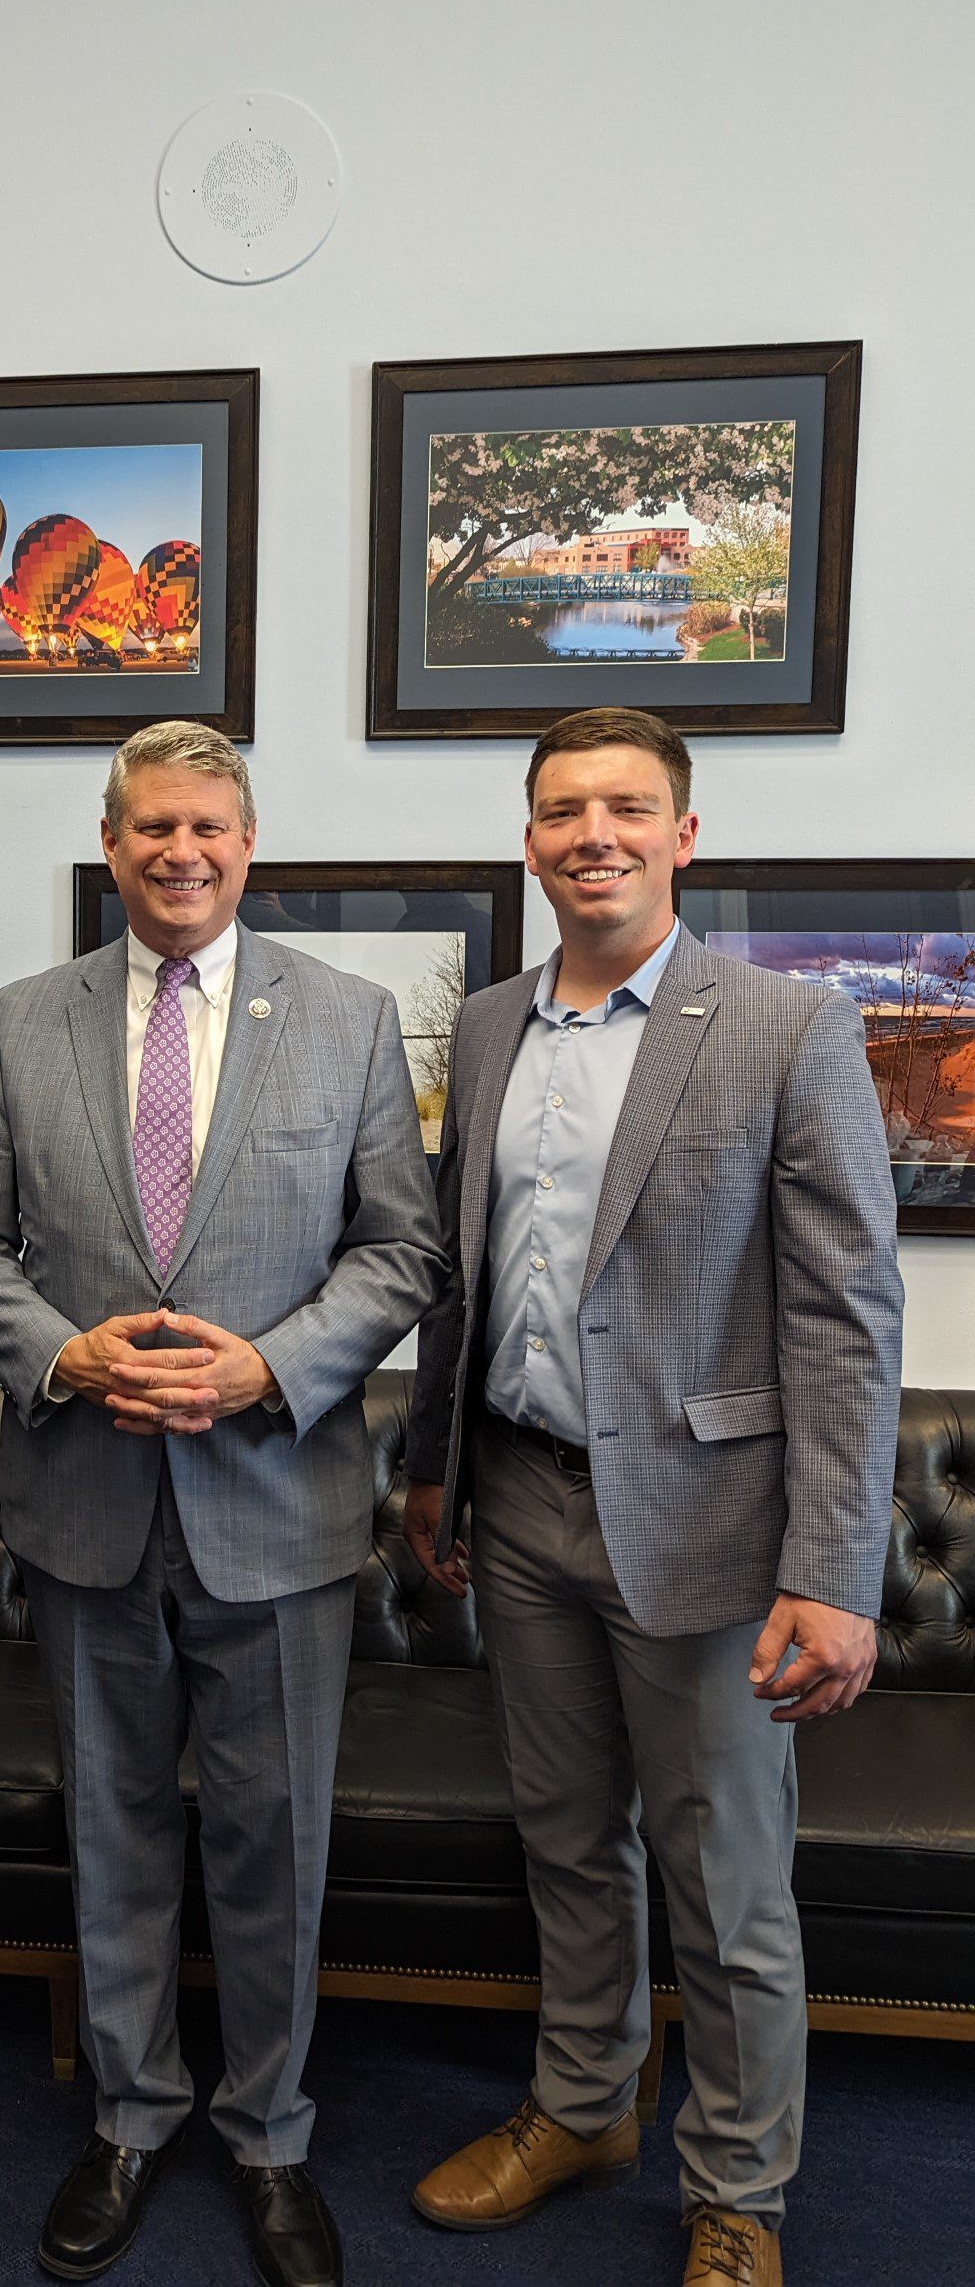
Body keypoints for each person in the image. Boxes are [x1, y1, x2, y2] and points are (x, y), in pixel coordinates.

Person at [0, 721, 445, 2287]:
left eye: (208, 826)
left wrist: (269, 1368)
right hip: (82, 1497)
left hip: (276, 1498)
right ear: (111, 840)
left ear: (248, 838)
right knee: (113, 1826)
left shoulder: (348, 1020)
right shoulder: (27, 1021)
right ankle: (134, 2111)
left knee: (274, 1842)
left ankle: (270, 2129)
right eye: (152, 826)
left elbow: (402, 1252)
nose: (181, 852)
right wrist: (58, 1350)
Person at [403, 707, 902, 2287]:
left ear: (685, 833)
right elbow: (459, 1279)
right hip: (522, 1503)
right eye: (562, 808)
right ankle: (582, 2105)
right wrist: (432, 1469)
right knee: (565, 1841)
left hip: (709, 1530)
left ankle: (739, 2190)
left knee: (727, 1883)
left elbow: (844, 1313)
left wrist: (834, 1566)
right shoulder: (485, 1027)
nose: (592, 833)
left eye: (628, 805)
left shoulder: (783, 1024)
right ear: (530, 837)